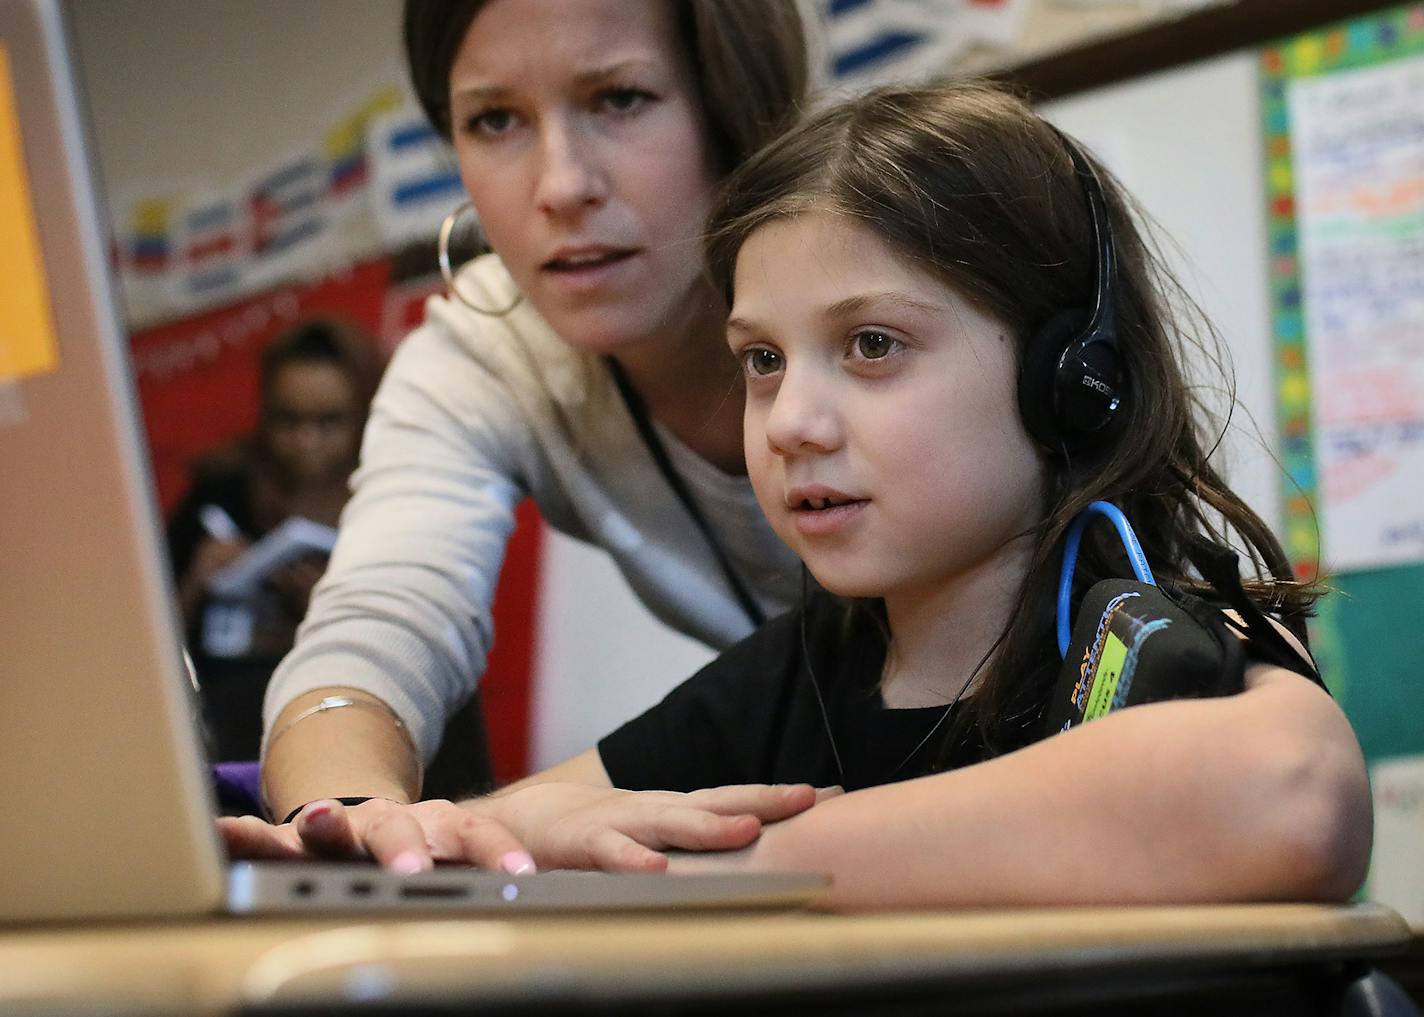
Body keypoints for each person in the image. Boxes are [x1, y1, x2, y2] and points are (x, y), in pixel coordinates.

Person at [223, 81, 1372, 912]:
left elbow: (1289, 793)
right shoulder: (799, 670)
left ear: (1069, 377)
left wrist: (709, 871)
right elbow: (521, 828)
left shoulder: (1148, 634)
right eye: (761, 359)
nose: (790, 422)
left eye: (870, 345)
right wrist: (480, 832)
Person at [257, 0, 811, 829]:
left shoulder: (882, 256)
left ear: (735, 108)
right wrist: (353, 821)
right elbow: (381, 617)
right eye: (494, 119)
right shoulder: (484, 349)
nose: (560, 186)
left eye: (619, 98)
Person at [168, 318, 379, 760]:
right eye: (287, 419)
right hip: (216, 730)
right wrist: (197, 585)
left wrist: (324, 614)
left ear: (366, 417)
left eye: (329, 423)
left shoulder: (385, 506)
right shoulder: (222, 492)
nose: (305, 442)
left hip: (343, 731)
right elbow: (147, 646)